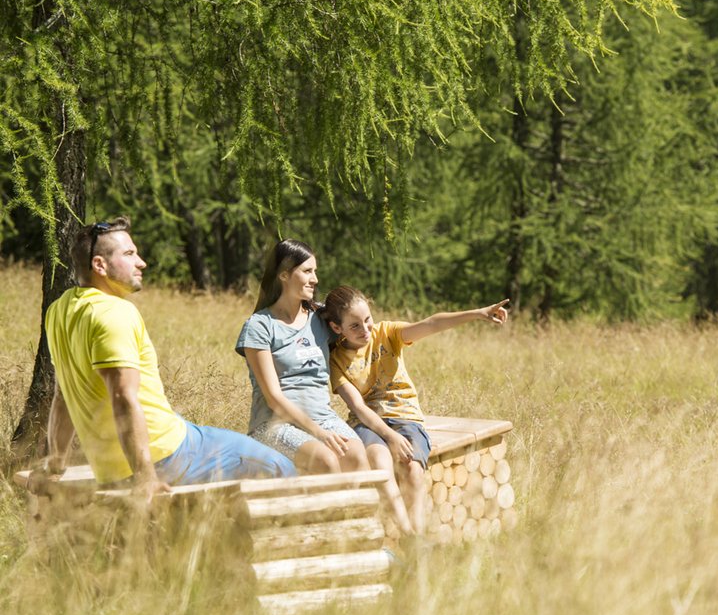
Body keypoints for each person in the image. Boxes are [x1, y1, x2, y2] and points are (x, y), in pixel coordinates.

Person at [35, 216, 297, 501]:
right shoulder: (114, 314)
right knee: (281, 466)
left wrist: (56, 461)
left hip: (116, 465)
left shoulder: (60, 310)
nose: (141, 262)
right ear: (100, 265)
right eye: (129, 254)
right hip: (166, 456)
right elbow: (123, 396)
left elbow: (64, 394)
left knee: (201, 432)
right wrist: (145, 477)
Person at [323, 285, 509, 535]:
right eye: (354, 326)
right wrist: (390, 437)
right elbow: (357, 406)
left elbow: (432, 323)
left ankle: (417, 536)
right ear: (337, 328)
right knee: (379, 460)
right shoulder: (336, 360)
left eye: (368, 320)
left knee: (412, 469)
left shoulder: (386, 333)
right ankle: (407, 534)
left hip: (404, 415)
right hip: (367, 422)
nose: (365, 330)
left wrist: (477, 313)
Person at [235, 240, 387, 499]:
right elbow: (273, 397)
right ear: (283, 274)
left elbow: (359, 326)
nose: (315, 279)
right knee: (326, 459)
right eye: (307, 271)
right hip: (273, 425)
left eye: (315, 271)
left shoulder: (320, 320)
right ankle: (326, 533)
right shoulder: (259, 326)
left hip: (323, 418)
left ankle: (356, 532)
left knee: (355, 453)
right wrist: (319, 433)